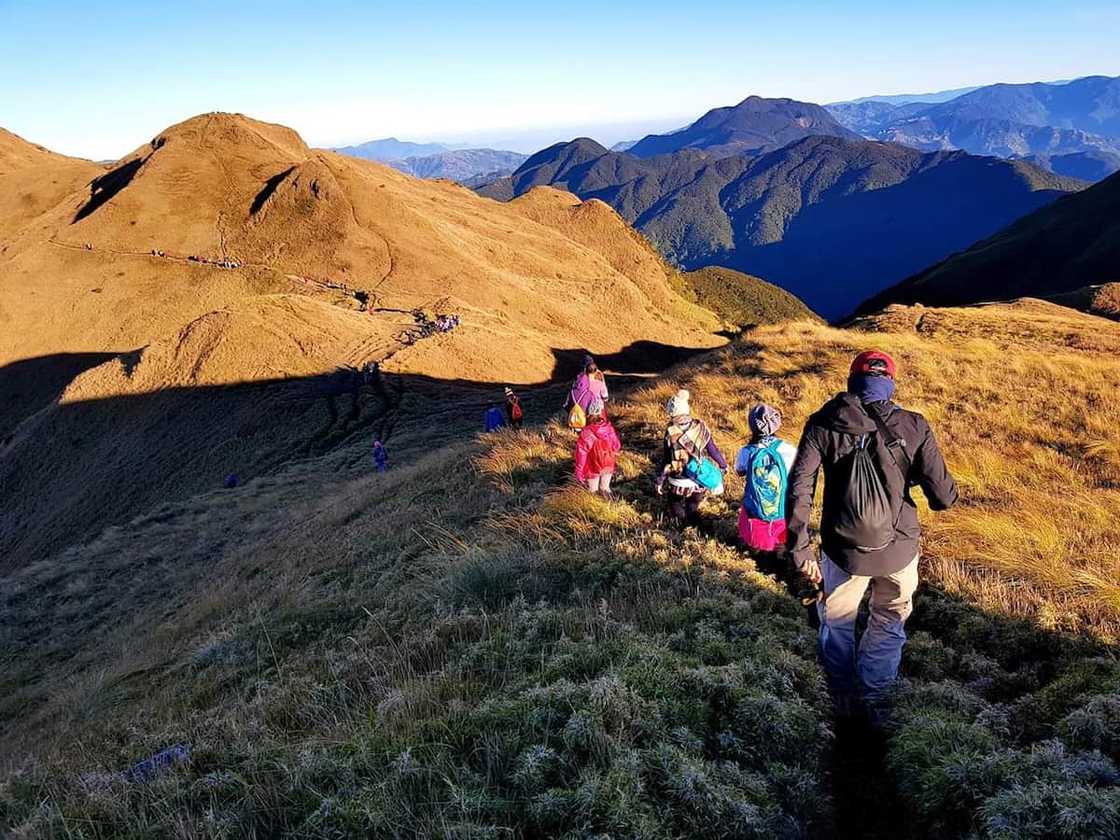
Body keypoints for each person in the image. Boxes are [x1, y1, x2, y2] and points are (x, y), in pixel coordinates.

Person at [786, 350, 958, 720]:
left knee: (838, 620)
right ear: (889, 383)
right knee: (889, 617)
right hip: (899, 548)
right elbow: (943, 498)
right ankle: (876, 702)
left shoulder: (822, 423)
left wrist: (800, 549)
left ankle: (840, 702)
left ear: (853, 381)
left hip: (842, 550)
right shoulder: (914, 425)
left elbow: (799, 487)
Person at [735, 403, 798, 573]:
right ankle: (782, 569)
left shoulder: (746, 451)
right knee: (780, 543)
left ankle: (762, 567)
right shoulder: (789, 449)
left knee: (760, 550)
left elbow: (739, 471)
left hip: (755, 511)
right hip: (782, 510)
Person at [654, 389, 727, 526]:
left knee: (674, 500)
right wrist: (723, 465)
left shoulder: (670, 432)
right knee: (693, 503)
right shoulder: (700, 428)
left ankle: (680, 521)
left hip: (677, 479)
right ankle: (693, 522)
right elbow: (713, 450)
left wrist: (659, 480)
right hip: (697, 478)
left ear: (671, 413)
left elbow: (666, 459)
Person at [574, 398, 621, 498]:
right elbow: (616, 446)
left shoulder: (586, 433)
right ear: (602, 413)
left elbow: (581, 456)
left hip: (592, 467)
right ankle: (611, 508)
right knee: (605, 488)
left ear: (588, 414)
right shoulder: (609, 428)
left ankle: (596, 508)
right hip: (608, 463)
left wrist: (579, 473)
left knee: (592, 491)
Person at [564, 354, 609, 428]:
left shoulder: (577, 384)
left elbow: (566, 405)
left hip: (576, 416)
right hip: (593, 415)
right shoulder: (599, 384)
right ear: (595, 371)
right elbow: (605, 398)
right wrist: (602, 380)